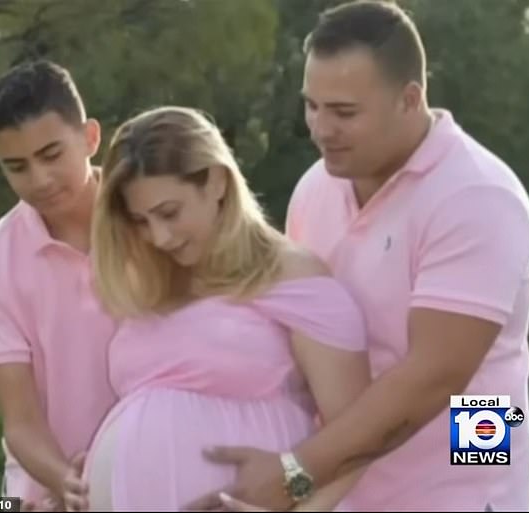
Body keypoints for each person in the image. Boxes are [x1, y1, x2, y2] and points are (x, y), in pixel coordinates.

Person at [188, 1, 529, 511]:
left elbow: (435, 377)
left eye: (344, 112)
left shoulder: (477, 196)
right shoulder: (315, 188)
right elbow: (298, 339)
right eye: (312, 105)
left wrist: (293, 474)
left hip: (461, 490)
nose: (320, 128)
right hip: (339, 493)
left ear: (409, 99)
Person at [68, 105, 372, 511]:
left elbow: (359, 438)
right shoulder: (151, 283)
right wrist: (102, 465)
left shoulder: (293, 276)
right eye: (140, 221)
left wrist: (298, 504)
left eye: (169, 213)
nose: (158, 236)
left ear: (216, 182)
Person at [0, 60, 118, 509]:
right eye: (17, 166)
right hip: (44, 496)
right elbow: (21, 421)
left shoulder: (154, 219)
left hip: (166, 471)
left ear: (90, 137)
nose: (39, 180)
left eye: (51, 155)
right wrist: (69, 484)